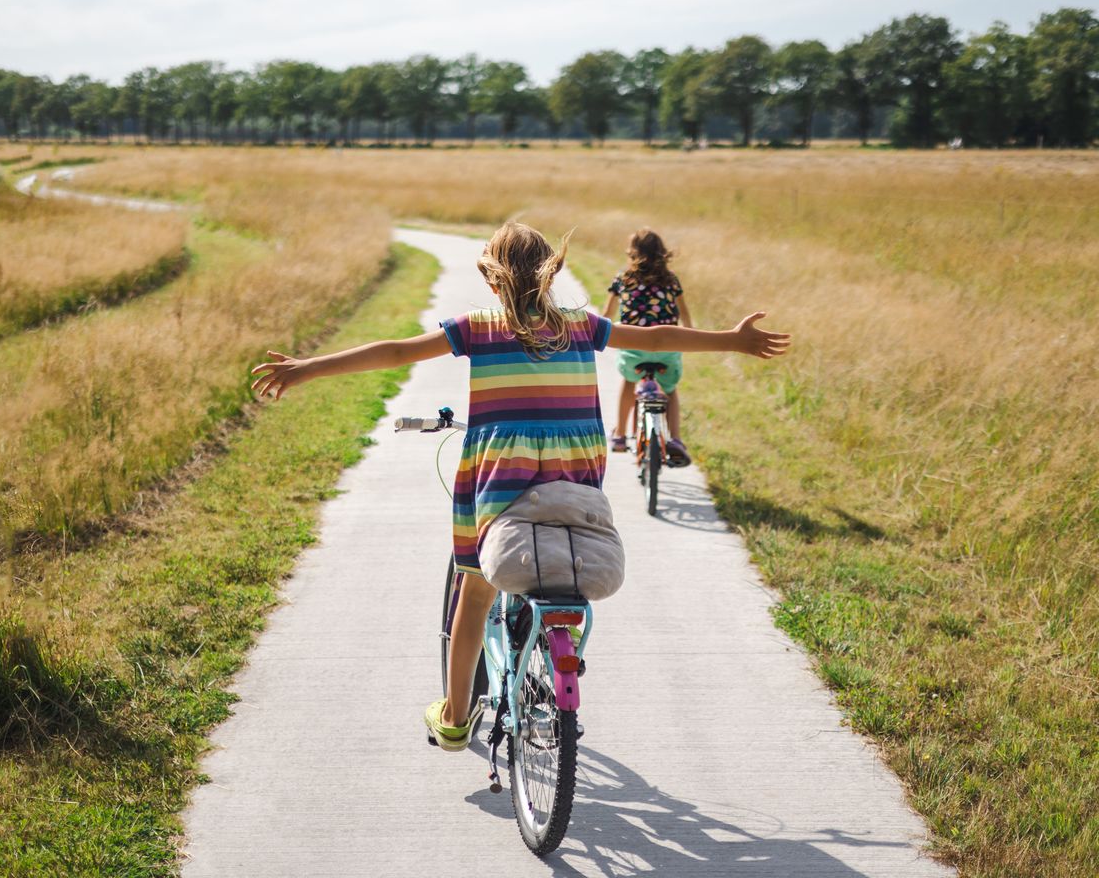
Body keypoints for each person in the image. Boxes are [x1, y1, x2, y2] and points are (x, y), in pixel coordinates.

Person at [251, 221, 789, 752]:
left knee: (476, 588)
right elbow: (654, 337)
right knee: (566, 545)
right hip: (575, 464)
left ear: (492, 279)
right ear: (550, 272)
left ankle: (457, 718)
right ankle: (560, 641)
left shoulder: (479, 326)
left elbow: (396, 351)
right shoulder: (581, 324)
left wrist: (307, 368)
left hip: (500, 469)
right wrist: (733, 341)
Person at [602, 228, 693, 466]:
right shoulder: (671, 280)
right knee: (670, 390)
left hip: (633, 346)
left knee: (629, 381)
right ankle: (675, 439)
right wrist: (690, 337)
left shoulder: (622, 278)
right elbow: (685, 315)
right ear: (662, 253)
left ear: (633, 253)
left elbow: (606, 316)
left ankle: (620, 435)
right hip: (667, 345)